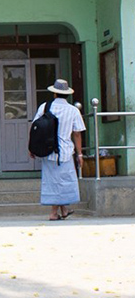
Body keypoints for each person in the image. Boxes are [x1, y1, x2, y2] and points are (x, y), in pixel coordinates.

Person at [30, 79, 85, 221]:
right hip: (66, 151)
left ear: (54, 93)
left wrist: (32, 147)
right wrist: (80, 153)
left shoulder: (45, 107)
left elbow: (35, 128)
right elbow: (77, 133)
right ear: (67, 94)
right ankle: (54, 213)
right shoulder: (73, 110)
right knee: (64, 181)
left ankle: (64, 210)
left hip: (48, 150)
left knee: (53, 180)